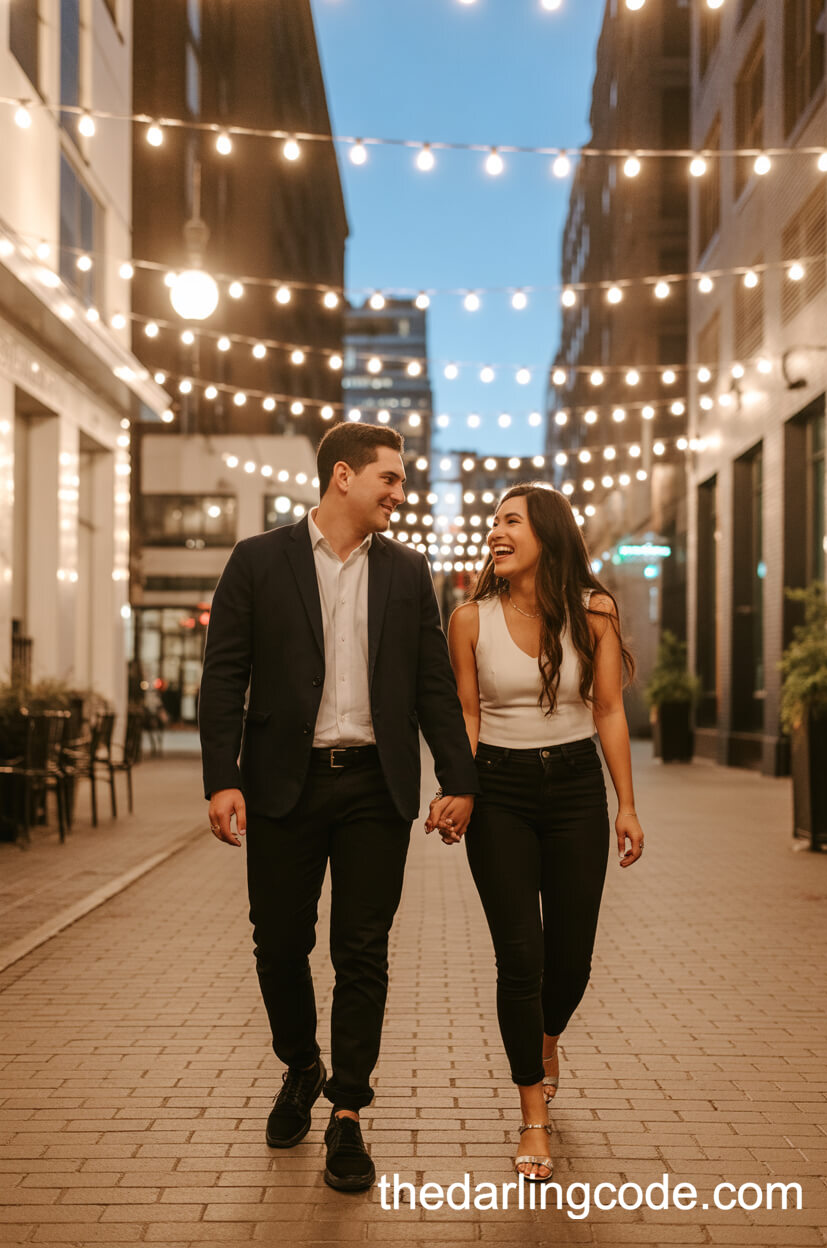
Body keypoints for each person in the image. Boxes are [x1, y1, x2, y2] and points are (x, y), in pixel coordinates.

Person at [199, 422, 478, 1193]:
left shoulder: (407, 570)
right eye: (389, 478)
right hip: (283, 784)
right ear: (344, 476)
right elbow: (224, 676)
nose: (400, 491)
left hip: (373, 787)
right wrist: (221, 777)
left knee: (363, 950)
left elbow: (430, 685)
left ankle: (347, 1112)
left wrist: (460, 777)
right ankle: (301, 1064)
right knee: (279, 943)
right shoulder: (258, 561)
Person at [426, 483, 644, 1182]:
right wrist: (458, 787)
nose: (496, 530)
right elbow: (469, 715)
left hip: (578, 788)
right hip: (502, 794)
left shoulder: (595, 613)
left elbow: (608, 709)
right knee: (520, 958)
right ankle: (532, 1116)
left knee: (570, 959)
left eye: (511, 520)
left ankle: (548, 1039)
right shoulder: (468, 619)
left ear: (547, 535)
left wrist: (626, 806)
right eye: (493, 521)